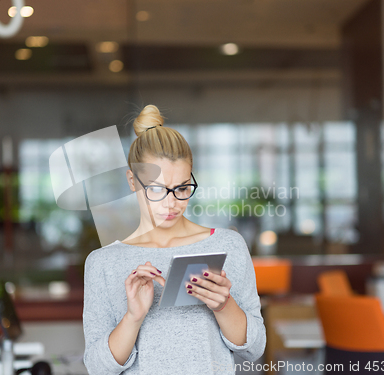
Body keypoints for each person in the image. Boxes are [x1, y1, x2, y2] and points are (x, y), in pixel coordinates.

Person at [83, 105, 266, 375]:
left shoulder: (227, 246)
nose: (171, 203)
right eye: (156, 189)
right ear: (133, 181)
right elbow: (97, 368)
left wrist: (224, 305)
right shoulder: (103, 264)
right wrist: (133, 318)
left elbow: (255, 349)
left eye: (181, 188)